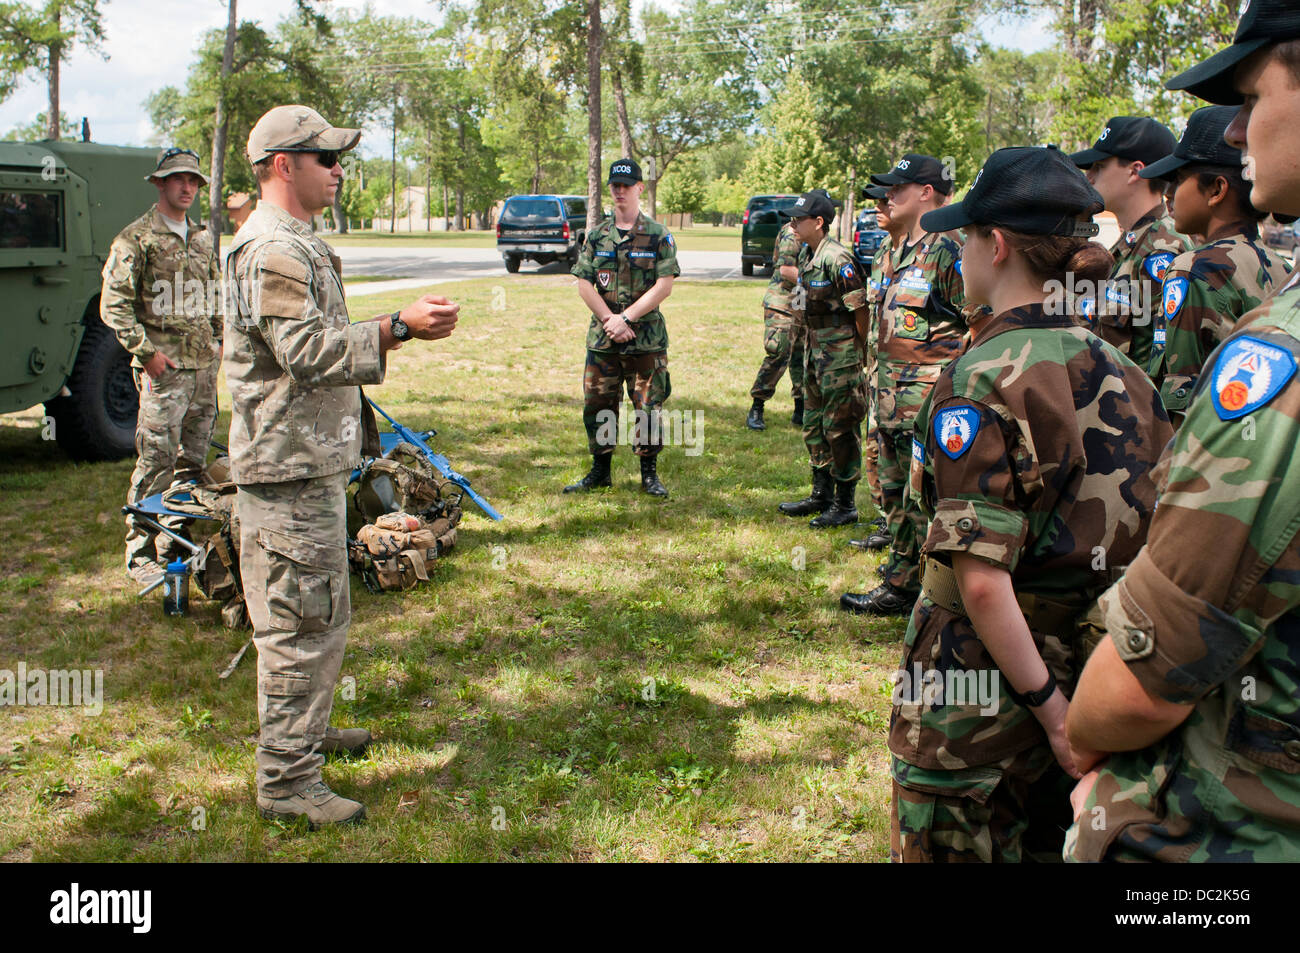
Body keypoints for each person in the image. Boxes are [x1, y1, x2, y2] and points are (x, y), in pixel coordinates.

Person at [889, 145, 1172, 862]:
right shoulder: (1130, 372)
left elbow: (981, 579)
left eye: (966, 237)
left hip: (978, 694)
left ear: (999, 244)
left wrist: (1051, 713)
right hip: (1099, 673)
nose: (957, 252)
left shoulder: (978, 377)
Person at [1066, 0, 1300, 862]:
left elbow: (1152, 668)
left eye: (1252, 93)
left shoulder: (1277, 350)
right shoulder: (1272, 270)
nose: (1238, 130)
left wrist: (1083, 737)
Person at [225, 105, 460, 827]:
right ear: (281, 165)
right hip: (286, 473)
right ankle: (288, 781)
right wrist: (398, 328)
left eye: (338, 158)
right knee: (299, 624)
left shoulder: (296, 241)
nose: (337, 169)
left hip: (306, 463)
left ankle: (306, 733)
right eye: (323, 158)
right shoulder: (272, 248)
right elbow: (307, 353)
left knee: (320, 612)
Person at [841, 154, 967, 615]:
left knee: (930, 501)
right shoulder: (889, 252)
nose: (886, 197)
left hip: (929, 409)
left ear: (927, 193)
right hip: (888, 400)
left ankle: (945, 596)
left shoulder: (950, 249)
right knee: (894, 495)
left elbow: (978, 325)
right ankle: (902, 582)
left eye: (897, 189)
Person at [101, 148, 221, 584]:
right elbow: (114, 306)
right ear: (159, 183)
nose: (187, 187)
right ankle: (140, 552)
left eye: (193, 181)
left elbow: (214, 293)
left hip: (204, 372)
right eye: (178, 180)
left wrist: (219, 338)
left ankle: (175, 538)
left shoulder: (202, 236)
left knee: (193, 461)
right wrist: (146, 353)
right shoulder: (136, 240)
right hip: (164, 374)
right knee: (156, 461)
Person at [1141, 105, 1291, 425]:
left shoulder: (1194, 269)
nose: (1169, 194)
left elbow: (1182, 408)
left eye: (1179, 180)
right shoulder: (1284, 267)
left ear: (1216, 190)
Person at [565, 158, 679, 497]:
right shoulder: (597, 234)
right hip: (604, 339)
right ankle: (600, 472)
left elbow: (664, 285)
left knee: (648, 406)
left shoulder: (658, 235)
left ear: (639, 188)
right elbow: (584, 284)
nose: (619, 190)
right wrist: (609, 320)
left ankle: (649, 475)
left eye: (626, 185)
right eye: (614, 185)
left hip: (645, 339)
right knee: (599, 405)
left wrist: (625, 318)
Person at [775, 190, 870, 527]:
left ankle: (845, 504)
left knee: (841, 425)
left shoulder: (837, 258)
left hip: (839, 354)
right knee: (814, 423)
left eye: (799, 219)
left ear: (819, 222)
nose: (792, 224)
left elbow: (860, 309)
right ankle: (821, 494)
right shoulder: (806, 254)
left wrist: (857, 351)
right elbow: (803, 299)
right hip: (814, 349)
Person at [1070, 116, 1191, 372]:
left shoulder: (1163, 250)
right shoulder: (1131, 243)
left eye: (1099, 166)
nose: (1089, 177)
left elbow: (1171, 366)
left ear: (1135, 171)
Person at [850, 184, 901, 553]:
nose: (879, 207)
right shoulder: (883, 250)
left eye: (885, 200)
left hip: (914, 385)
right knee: (876, 452)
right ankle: (889, 523)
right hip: (878, 375)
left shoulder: (944, 250)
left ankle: (910, 539)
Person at [746, 216, 804, 430]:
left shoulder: (814, 233)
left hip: (801, 302)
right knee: (779, 354)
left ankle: (801, 409)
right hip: (783, 303)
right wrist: (818, 282)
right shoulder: (792, 232)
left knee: (802, 356)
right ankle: (757, 405)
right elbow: (787, 270)